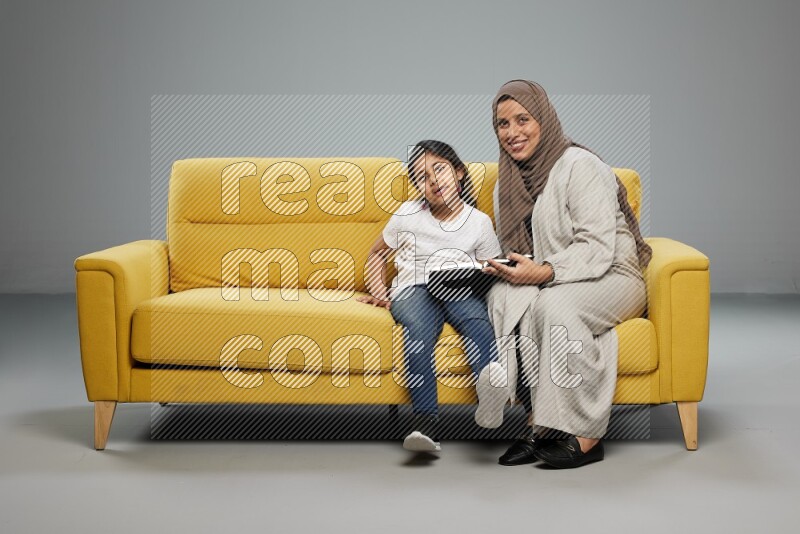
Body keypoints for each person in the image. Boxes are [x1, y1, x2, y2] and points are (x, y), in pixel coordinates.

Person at [474, 80, 652, 469]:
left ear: (544, 119)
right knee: (508, 299)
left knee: (553, 305)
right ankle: (539, 423)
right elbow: (524, 248)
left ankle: (587, 435)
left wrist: (544, 271)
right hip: (558, 275)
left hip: (612, 274)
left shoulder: (579, 165)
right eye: (502, 124)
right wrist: (507, 267)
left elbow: (596, 247)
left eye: (523, 119)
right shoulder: (508, 181)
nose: (512, 132)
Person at [357, 140, 502, 452]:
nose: (434, 180)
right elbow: (376, 255)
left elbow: (493, 268)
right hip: (415, 289)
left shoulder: (479, 222)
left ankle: (490, 394)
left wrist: (480, 273)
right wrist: (380, 292)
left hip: (459, 286)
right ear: (418, 187)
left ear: (459, 172)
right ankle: (426, 421)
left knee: (476, 319)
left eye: (440, 169)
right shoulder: (408, 214)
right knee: (419, 331)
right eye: (423, 177)